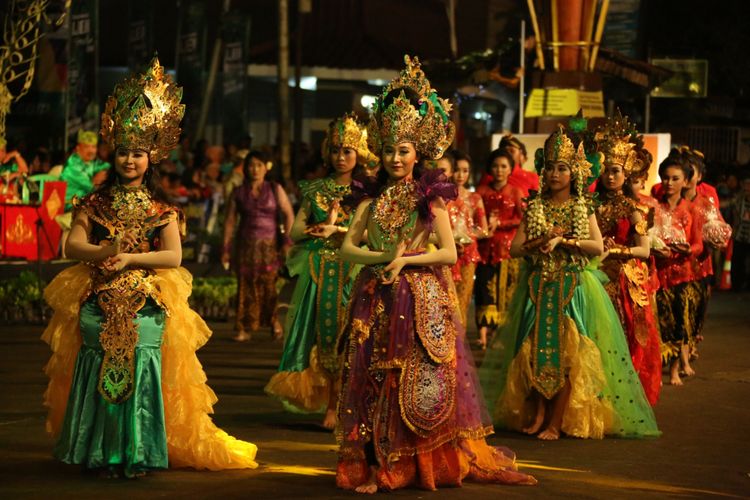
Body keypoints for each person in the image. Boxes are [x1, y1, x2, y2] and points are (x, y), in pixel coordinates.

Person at [41, 58, 257, 478]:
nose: (129, 160)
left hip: (146, 300)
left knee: (142, 373)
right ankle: (95, 449)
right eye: (123, 151)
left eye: (138, 153)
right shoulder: (93, 203)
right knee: (96, 365)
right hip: (98, 297)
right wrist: (103, 251)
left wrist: (132, 257)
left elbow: (174, 258)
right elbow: (73, 245)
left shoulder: (163, 210)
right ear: (113, 152)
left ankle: (138, 451)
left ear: (150, 157)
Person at [335, 56, 536, 494]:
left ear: (418, 152)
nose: (394, 157)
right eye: (388, 149)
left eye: (403, 150)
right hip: (376, 295)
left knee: (414, 378)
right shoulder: (369, 201)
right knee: (373, 376)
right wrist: (378, 256)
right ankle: (378, 461)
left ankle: (412, 463)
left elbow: (447, 253)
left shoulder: (433, 199)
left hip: (420, 299)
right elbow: (347, 247)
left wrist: (404, 260)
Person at [479, 124, 660, 441]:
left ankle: (557, 420)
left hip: (571, 286)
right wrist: (538, 243)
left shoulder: (582, 206)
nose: (554, 174)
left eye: (561, 168)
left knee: (569, 353)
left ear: (573, 172)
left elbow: (597, 247)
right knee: (532, 348)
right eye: (550, 167)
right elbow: (516, 247)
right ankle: (537, 414)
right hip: (538, 284)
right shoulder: (536, 205)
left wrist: (566, 241)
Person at [265, 114, 377, 429]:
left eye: (348, 151)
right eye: (336, 150)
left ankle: (347, 403)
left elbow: (376, 234)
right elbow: (295, 230)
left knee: (352, 336)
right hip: (319, 271)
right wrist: (315, 229)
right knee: (321, 336)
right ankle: (330, 403)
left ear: (360, 154)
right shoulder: (316, 189)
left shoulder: (368, 192)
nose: (341, 157)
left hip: (354, 269)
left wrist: (340, 230)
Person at [594, 113, 662, 406]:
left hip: (623, 281)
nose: (610, 176)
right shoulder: (590, 206)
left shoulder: (633, 209)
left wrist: (618, 250)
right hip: (595, 276)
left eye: (616, 171)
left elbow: (644, 251)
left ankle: (624, 396)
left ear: (626, 174)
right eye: (607, 170)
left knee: (624, 338)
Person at [222, 150, 295, 341]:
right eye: (251, 165)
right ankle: (242, 327)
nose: (255, 169)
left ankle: (274, 322)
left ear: (265, 168)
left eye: (259, 165)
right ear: (246, 168)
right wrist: (226, 248)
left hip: (270, 247)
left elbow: (288, 213)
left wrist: (287, 240)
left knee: (269, 285)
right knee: (245, 287)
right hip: (246, 246)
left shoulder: (274, 188)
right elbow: (229, 221)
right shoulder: (238, 192)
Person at [651, 154, 703, 386]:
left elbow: (699, 244)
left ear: (686, 181)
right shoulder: (653, 207)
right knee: (659, 324)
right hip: (658, 273)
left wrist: (687, 250)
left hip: (682, 275)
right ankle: (658, 366)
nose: (669, 182)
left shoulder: (692, 210)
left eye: (675, 178)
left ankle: (674, 370)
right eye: (666, 178)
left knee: (681, 324)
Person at [475, 148, 524, 349]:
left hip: (507, 250)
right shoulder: (481, 192)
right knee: (484, 289)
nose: (499, 170)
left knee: (505, 291)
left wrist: (501, 223)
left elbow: (522, 219)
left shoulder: (515, 192)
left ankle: (500, 334)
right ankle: (482, 334)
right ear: (489, 168)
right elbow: (474, 217)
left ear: (510, 169)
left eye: (504, 166)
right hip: (485, 249)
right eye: (495, 166)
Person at [435, 150, 488, 327]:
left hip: (468, 255)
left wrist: (466, 235)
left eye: (465, 171)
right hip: (445, 252)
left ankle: (459, 349)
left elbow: (484, 229)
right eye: (457, 169)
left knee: (462, 303)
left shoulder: (474, 198)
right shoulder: (441, 198)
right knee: (445, 302)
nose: (460, 175)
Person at [60, 129, 111, 209]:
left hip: (85, 205)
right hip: (70, 207)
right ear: (78, 148)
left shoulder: (91, 163)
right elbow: (91, 188)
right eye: (86, 147)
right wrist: (96, 182)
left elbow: (107, 166)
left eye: (93, 147)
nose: (91, 151)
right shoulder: (72, 166)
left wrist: (104, 172)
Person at [730, 172, 750, 291]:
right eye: (746, 185)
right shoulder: (739, 199)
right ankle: (736, 285)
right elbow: (735, 215)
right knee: (737, 260)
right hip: (740, 235)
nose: (747, 188)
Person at [0, 137, 29, 202]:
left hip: (11, 201)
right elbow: (3, 180)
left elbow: (25, 170)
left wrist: (15, 154)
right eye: (0, 150)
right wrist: (14, 174)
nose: (1, 153)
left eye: (3, 150)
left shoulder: (8, 166)